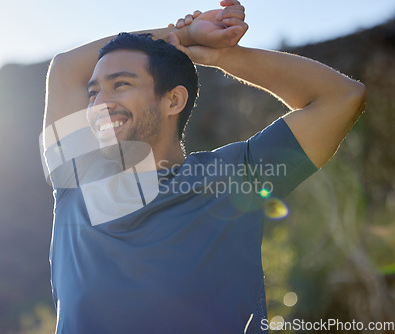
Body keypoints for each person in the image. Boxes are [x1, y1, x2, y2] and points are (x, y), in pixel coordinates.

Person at [40, 1, 366, 332]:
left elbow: (341, 97)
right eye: (93, 93)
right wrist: (181, 34)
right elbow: (67, 68)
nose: (99, 103)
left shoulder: (236, 177)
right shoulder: (77, 177)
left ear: (174, 100)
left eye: (121, 84)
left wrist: (218, 56)